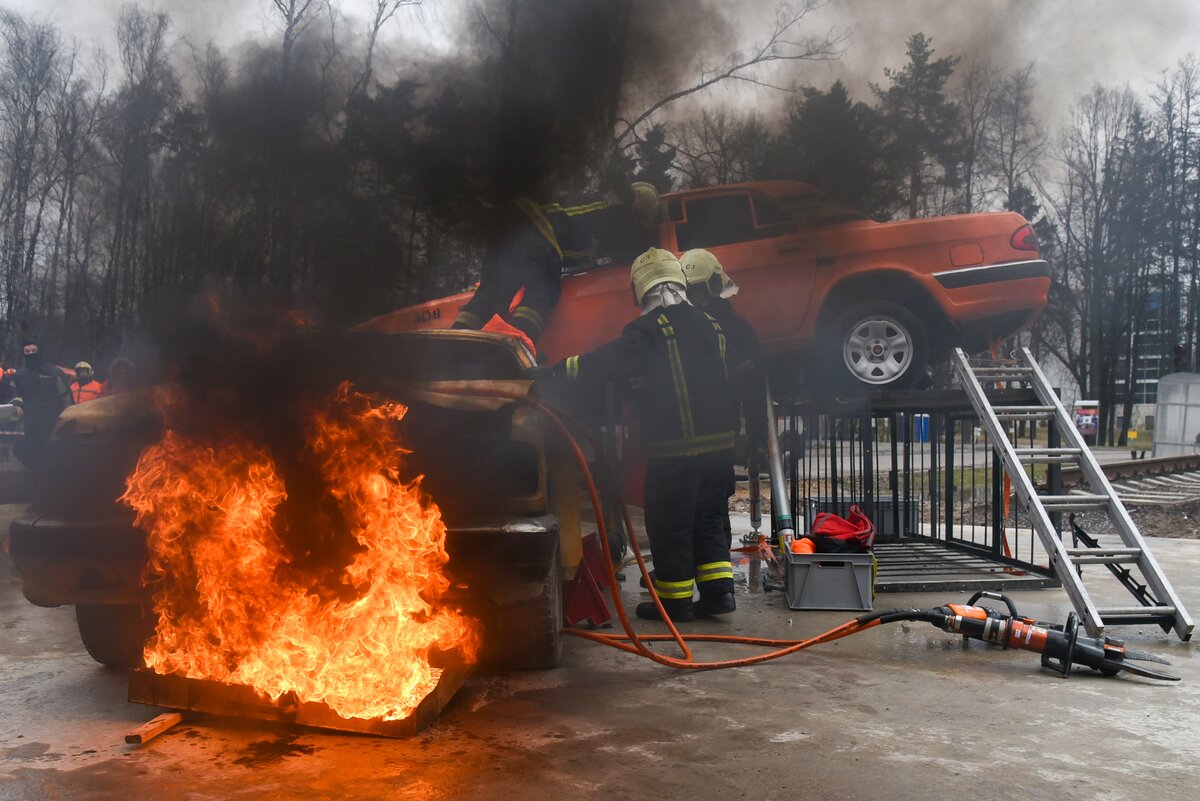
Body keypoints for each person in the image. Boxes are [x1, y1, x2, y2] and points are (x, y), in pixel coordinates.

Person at [544, 247, 737, 622]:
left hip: (674, 454)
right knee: (709, 520)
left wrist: (557, 372)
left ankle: (676, 603)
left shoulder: (647, 330)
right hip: (719, 454)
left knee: (671, 526)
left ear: (640, 289)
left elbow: (605, 363)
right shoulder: (710, 325)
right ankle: (718, 595)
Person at [452, 182, 661, 343]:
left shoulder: (599, 211)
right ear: (637, 211)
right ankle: (514, 346)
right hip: (538, 225)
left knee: (493, 292)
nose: (637, 226)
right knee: (543, 292)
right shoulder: (614, 209)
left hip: (508, 222)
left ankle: (453, 341)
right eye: (640, 221)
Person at [680, 249, 768, 546]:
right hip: (694, 441)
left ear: (711, 288)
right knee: (698, 516)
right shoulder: (681, 330)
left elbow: (754, 391)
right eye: (686, 290)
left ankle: (715, 587)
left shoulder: (737, 333)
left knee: (708, 516)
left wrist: (757, 441)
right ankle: (705, 581)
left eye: (694, 290)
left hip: (707, 441)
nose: (691, 298)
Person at [12, 341, 73, 470]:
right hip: (30, 421)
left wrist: (67, 417)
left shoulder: (54, 372)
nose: (30, 354)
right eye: (27, 352)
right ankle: (36, 475)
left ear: (39, 352)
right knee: (21, 450)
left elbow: (65, 396)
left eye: (33, 351)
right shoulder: (19, 375)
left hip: (53, 420)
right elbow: (14, 395)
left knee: (54, 454)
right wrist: (16, 406)